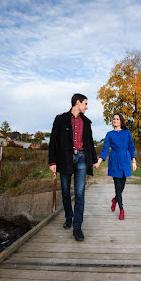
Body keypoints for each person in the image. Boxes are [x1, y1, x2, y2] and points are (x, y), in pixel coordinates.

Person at [48, 93, 98, 241]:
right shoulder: (60, 119)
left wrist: (94, 160)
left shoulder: (86, 122)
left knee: (80, 193)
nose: (87, 107)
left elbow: (90, 143)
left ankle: (77, 228)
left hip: (82, 158)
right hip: (65, 159)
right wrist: (52, 162)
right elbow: (53, 142)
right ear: (78, 103)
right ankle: (68, 217)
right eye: (85, 104)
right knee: (65, 191)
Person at [94, 113, 136, 220]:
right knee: (117, 187)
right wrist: (99, 162)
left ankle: (115, 199)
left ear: (121, 121)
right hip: (115, 161)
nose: (115, 121)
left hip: (125, 161)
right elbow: (105, 149)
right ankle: (121, 209)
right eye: (113, 119)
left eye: (117, 119)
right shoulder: (109, 134)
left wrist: (134, 161)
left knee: (122, 186)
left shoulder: (127, 133)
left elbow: (131, 147)